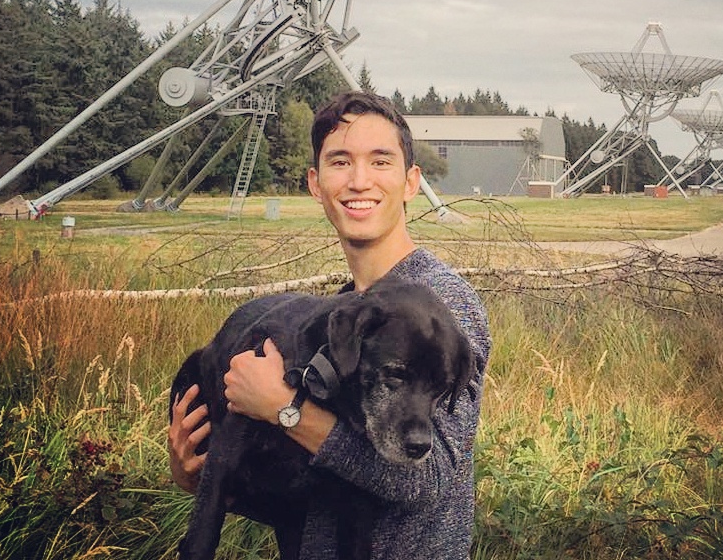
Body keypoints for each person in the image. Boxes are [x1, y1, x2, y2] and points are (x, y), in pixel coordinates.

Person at [169, 91, 491, 559]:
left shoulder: (442, 310)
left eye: (381, 162)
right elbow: (311, 491)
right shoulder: (344, 316)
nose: (359, 181)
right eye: (341, 162)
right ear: (316, 184)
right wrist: (199, 475)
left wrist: (285, 408)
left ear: (411, 181)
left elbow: (427, 478)